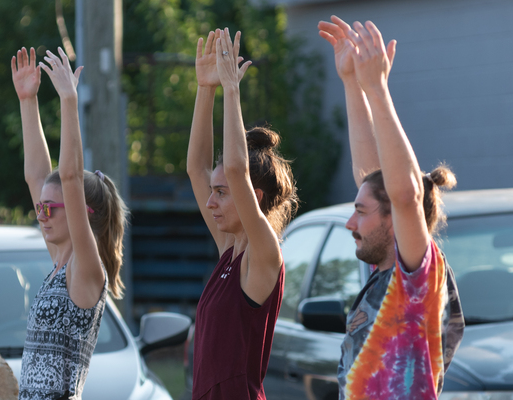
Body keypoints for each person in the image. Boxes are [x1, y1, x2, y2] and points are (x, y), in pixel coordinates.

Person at [317, 17, 465, 399]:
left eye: (361, 212)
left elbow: (403, 195)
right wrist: (351, 81)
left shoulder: (413, 279)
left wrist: (377, 87)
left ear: (395, 221)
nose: (351, 222)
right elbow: (372, 175)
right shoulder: (379, 267)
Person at [10, 46, 130, 400]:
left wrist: (68, 100)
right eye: (40, 209)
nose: (41, 215)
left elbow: (71, 177)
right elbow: (37, 175)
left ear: (82, 214)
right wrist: (27, 101)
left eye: (52, 209)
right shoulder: (59, 265)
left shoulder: (85, 269)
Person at [186, 28, 299, 400]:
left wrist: (231, 90)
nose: (210, 201)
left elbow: (236, 170)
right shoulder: (230, 248)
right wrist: (206, 90)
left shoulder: (263, 254)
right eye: (213, 192)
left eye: (221, 194)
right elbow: (196, 168)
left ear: (255, 195)